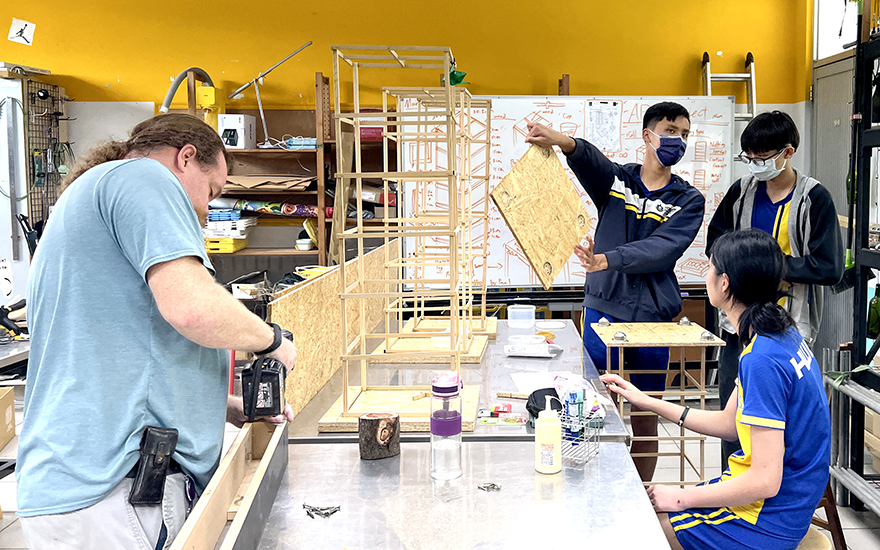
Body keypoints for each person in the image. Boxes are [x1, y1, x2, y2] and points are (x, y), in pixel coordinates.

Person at [15, 113, 298, 550]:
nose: (206, 210)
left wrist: (220, 406)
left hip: (81, 486)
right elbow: (192, 309)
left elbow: (119, 352)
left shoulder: (91, 195)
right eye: (211, 191)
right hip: (116, 491)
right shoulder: (144, 178)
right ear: (185, 158)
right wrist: (272, 341)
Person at [602, 229, 831, 550]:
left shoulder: (762, 359)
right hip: (785, 502)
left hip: (769, 517)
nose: (706, 275)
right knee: (647, 512)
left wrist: (681, 497)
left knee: (639, 530)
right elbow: (728, 424)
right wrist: (647, 401)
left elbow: (766, 480)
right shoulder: (779, 334)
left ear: (724, 283)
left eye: (709, 267)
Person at [525, 102, 705, 481]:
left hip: (652, 322)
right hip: (602, 312)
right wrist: (561, 140)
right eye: (671, 131)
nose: (678, 140)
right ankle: (591, 489)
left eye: (684, 134)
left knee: (646, 417)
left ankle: (644, 499)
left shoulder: (688, 200)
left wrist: (607, 259)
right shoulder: (618, 182)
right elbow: (590, 160)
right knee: (590, 410)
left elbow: (662, 249)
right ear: (648, 135)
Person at [707, 111, 842, 467]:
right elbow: (716, 244)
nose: (756, 165)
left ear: (788, 152)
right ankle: (732, 482)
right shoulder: (741, 192)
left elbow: (828, 266)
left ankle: (772, 483)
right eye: (749, 158)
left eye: (763, 158)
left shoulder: (813, 198)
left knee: (777, 419)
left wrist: (769, 268)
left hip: (787, 326)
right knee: (733, 420)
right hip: (738, 325)